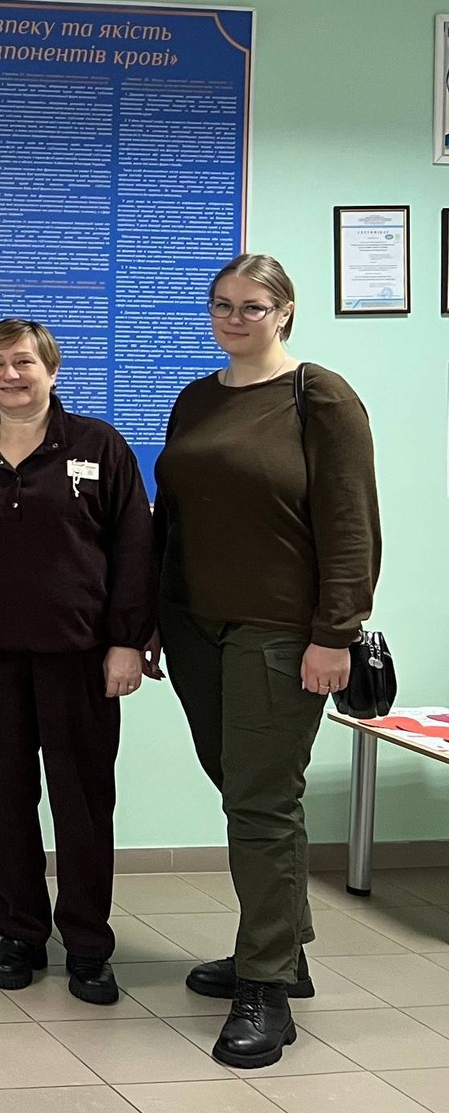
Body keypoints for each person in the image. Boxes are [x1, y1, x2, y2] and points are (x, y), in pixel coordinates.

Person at [155, 254, 380, 1068]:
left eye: (252, 306)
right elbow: (172, 518)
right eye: (222, 304)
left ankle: (265, 992)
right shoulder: (197, 397)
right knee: (245, 789)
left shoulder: (319, 396)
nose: (234, 318)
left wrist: (336, 634)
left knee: (260, 803)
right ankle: (284, 949)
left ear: (284, 311)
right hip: (193, 626)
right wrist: (149, 615)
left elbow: (350, 524)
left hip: (281, 631)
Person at [0, 320, 155, 1006]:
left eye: (24, 362)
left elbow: (134, 547)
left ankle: (88, 946)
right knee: (5, 798)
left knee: (83, 803)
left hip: (83, 656)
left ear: (52, 370)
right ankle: (20, 934)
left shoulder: (99, 445)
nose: (10, 375)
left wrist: (127, 641)